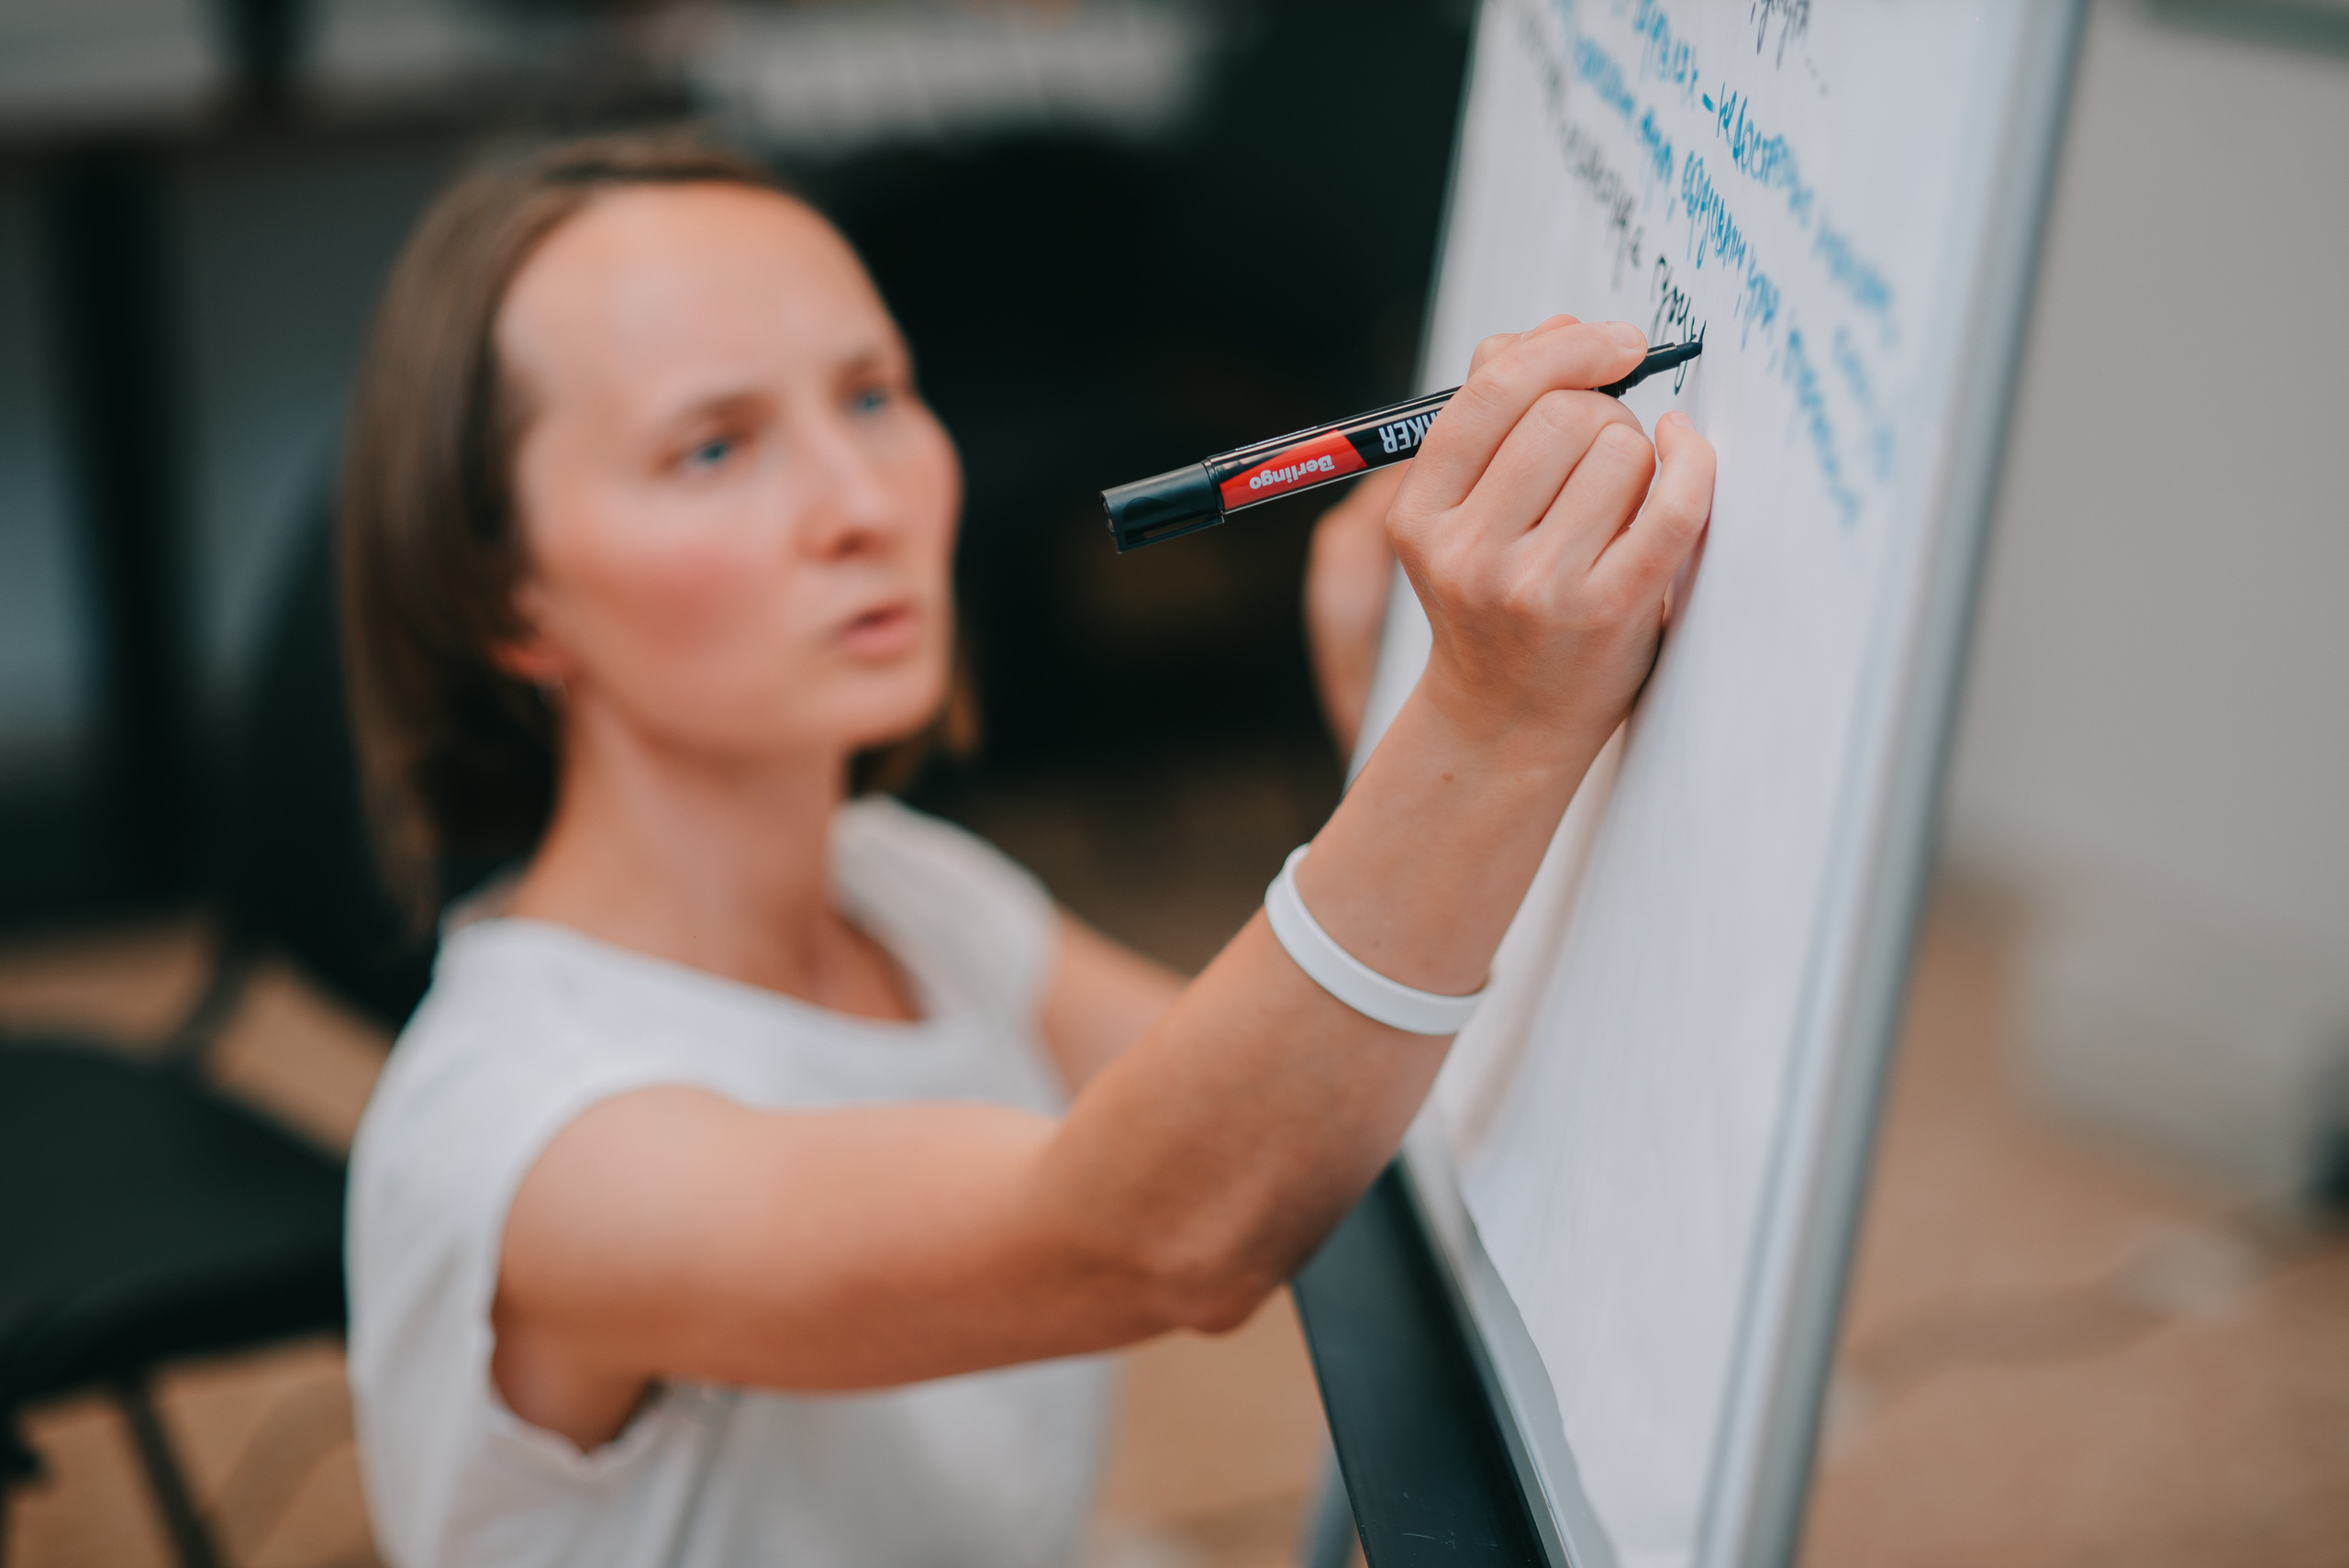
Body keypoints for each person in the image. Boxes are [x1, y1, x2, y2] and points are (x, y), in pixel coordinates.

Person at [340, 129, 1714, 1568]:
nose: (863, 503)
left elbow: (1301, 1111)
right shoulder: (536, 1142)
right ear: (512, 598)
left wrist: (1408, 733)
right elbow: (1162, 1224)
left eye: (873, 394)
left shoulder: (892, 879)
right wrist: (1475, 731)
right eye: (713, 447)